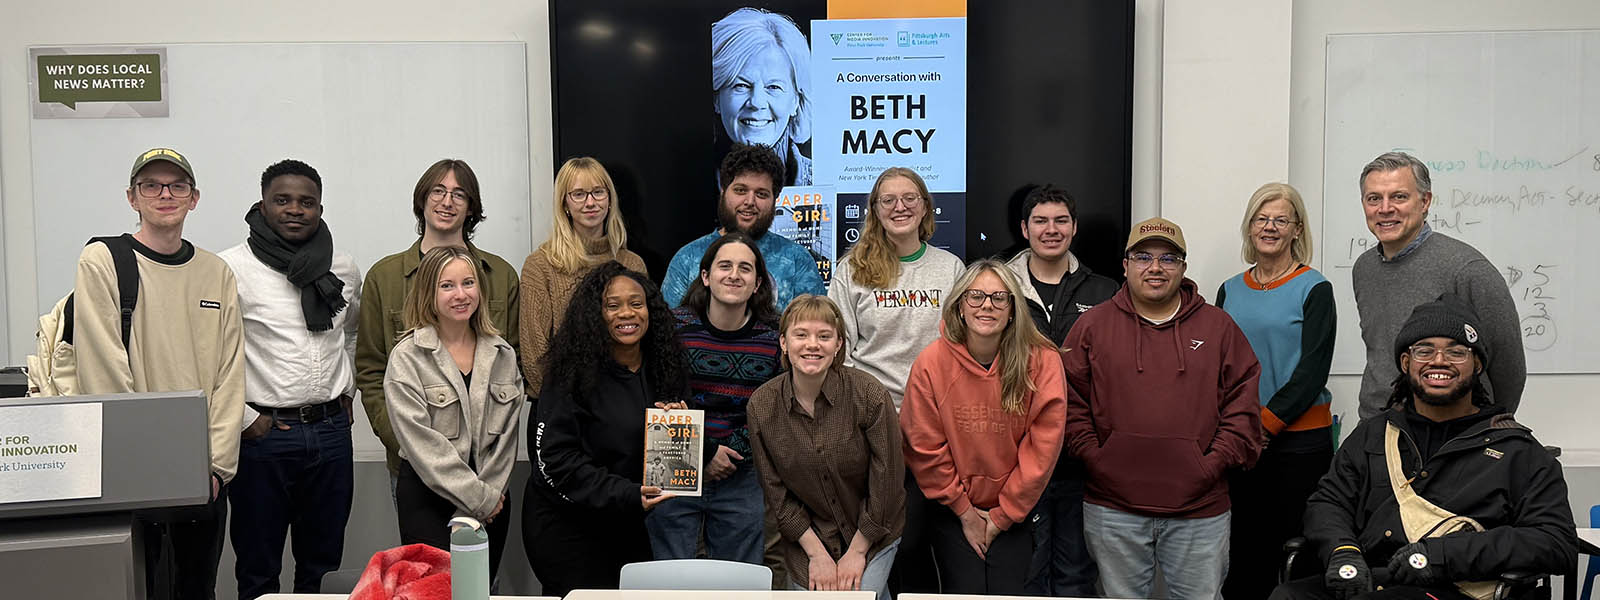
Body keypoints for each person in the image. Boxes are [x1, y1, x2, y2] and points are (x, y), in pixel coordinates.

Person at [1271, 296, 1576, 600]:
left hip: (1456, 587)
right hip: (1371, 580)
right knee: (1287, 596)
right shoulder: (1373, 435)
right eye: (1424, 350)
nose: (1439, 361)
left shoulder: (1517, 450)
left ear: (1477, 364)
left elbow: (1555, 541)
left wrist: (1443, 556)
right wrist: (1342, 550)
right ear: (1406, 363)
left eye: (1457, 352)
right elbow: (1328, 502)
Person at [74, 147, 245, 600]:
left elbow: (230, 376)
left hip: (202, 479)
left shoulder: (217, 273)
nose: (165, 194)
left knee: (195, 589)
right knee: (138, 588)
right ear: (132, 197)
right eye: (151, 185)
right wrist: (147, 470)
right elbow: (103, 369)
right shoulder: (102, 261)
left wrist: (216, 468)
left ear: (195, 198)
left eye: (177, 186)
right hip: (135, 477)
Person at [1062, 217, 1262, 600]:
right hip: (1112, 510)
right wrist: (1097, 458)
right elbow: (1069, 403)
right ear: (1125, 265)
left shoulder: (1218, 327)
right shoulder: (1093, 326)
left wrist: (1210, 463)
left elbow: (1243, 405)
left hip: (1200, 512)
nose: (1155, 268)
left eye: (1168, 259)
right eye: (1143, 257)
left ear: (1183, 267)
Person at [219, 159, 362, 599]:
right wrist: (245, 418)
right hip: (265, 438)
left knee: (322, 566)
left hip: (331, 433)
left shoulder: (342, 265)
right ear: (263, 205)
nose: (295, 209)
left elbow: (351, 332)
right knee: (259, 569)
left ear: (320, 207)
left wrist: (348, 391)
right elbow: (213, 357)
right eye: (282, 200)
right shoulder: (230, 269)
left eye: (306, 202)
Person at [900, 259, 1067, 595]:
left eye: (998, 298)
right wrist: (965, 513)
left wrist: (1003, 516)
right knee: (965, 589)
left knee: (1009, 592)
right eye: (975, 296)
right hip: (953, 507)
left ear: (1012, 310)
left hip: (1015, 508)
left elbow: (1042, 448)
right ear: (961, 307)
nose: (986, 306)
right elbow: (924, 446)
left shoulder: (1043, 361)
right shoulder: (931, 363)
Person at [524, 262, 689, 596]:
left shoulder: (666, 365)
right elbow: (556, 460)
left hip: (628, 521)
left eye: (636, 303)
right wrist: (627, 494)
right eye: (612, 305)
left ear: (650, 309)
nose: (626, 314)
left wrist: (679, 429)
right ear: (594, 315)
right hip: (568, 525)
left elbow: (669, 461)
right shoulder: (569, 373)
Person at [355, 159, 520, 491]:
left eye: (459, 194)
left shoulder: (500, 276)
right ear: (422, 199)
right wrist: (405, 444)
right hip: (412, 466)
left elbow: (514, 363)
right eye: (438, 191)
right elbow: (371, 371)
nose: (447, 202)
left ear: (471, 206)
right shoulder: (384, 278)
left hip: (486, 468)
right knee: (423, 546)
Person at [1216, 182, 1337, 600]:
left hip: (1299, 445)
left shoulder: (1314, 288)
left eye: (1280, 220)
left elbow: (1312, 370)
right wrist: (1239, 430)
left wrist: (1264, 426)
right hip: (1241, 444)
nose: (1269, 227)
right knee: (1243, 551)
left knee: (1293, 554)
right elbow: (1219, 367)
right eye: (1261, 219)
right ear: (1250, 228)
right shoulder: (1230, 290)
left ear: (1297, 229)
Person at [749, 294, 905, 599]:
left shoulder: (869, 394)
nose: (812, 345)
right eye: (801, 335)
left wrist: (858, 551)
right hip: (808, 537)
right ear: (783, 343)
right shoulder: (762, 407)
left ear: (838, 345)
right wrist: (817, 555)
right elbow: (776, 493)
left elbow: (887, 483)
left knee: (857, 597)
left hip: (874, 531)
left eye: (824, 336)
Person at [1001, 183, 1117, 596]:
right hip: (1017, 456)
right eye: (1041, 221)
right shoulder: (1000, 289)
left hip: (1080, 460)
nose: (1051, 229)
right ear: (1024, 228)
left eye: (1060, 220)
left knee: (1075, 575)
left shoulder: (1105, 292)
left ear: (1074, 228)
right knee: (1025, 574)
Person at [383, 246, 522, 577]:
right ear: (429, 293)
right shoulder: (408, 358)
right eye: (447, 286)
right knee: (433, 593)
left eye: (468, 283)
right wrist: (475, 498)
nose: (461, 295)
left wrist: (487, 499)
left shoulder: (503, 354)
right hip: (428, 499)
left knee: (479, 592)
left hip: (494, 496)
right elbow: (421, 445)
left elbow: (506, 440)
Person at [1352, 151, 1524, 419]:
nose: (1385, 208)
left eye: (1399, 196)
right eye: (1374, 198)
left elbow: (1508, 366)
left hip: (1453, 433)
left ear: (1425, 201)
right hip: (1378, 425)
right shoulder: (1365, 268)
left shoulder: (1468, 270)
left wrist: (1485, 425)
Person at [647, 232, 782, 564]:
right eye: (725, 266)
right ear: (706, 277)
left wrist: (727, 455)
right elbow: (659, 396)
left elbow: (774, 413)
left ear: (757, 282)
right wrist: (703, 454)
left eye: (745, 268)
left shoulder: (775, 338)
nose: (734, 274)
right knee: (669, 579)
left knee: (738, 583)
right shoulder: (673, 328)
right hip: (674, 463)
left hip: (742, 470)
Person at [827, 167, 965, 407]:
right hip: (870, 409)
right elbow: (839, 345)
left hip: (937, 406)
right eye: (888, 200)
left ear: (924, 207)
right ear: (876, 211)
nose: (900, 207)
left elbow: (963, 342)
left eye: (910, 198)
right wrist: (859, 402)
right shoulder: (852, 270)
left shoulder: (951, 268)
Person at [520, 157, 647, 400]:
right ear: (564, 204)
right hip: (561, 408)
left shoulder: (632, 264)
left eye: (598, 192)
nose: (590, 202)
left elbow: (644, 345)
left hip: (621, 404)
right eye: (578, 194)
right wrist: (569, 405)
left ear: (610, 200)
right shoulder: (540, 266)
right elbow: (535, 357)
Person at [662, 143, 825, 310]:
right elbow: (669, 330)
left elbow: (818, 327)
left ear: (775, 200)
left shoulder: (797, 260)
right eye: (740, 190)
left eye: (761, 194)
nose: (749, 202)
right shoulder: (687, 259)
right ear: (723, 191)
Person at [712, 6, 813, 187]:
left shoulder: (823, 179)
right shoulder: (686, 183)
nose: (757, 103)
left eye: (773, 87)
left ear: (796, 101)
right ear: (717, 98)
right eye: (741, 85)